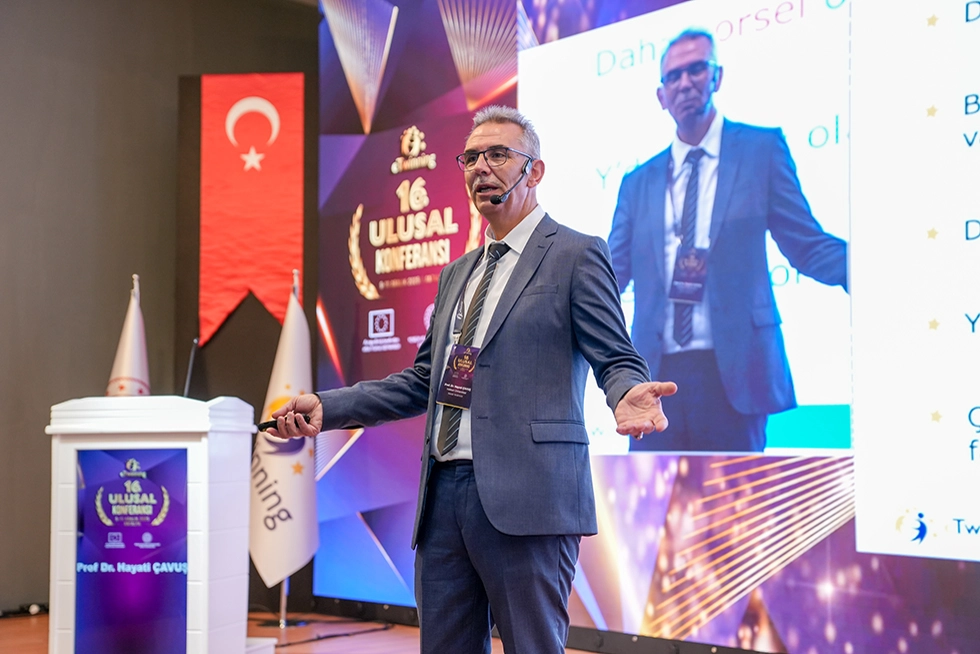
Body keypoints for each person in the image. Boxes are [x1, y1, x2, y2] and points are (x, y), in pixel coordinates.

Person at [268, 105, 677, 654]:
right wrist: (329, 407)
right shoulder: (457, 274)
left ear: (534, 171)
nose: (481, 167)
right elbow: (425, 380)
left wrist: (627, 391)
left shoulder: (576, 255)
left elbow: (615, 354)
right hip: (443, 499)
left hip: (530, 498)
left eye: (498, 155)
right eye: (471, 158)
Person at [608, 28, 848, 453]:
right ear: (661, 95)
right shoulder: (637, 182)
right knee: (653, 499)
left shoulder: (761, 150)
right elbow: (612, 275)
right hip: (653, 379)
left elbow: (806, 244)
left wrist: (874, 267)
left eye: (697, 69)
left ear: (717, 76)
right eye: (674, 76)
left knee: (737, 497)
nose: (685, 82)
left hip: (738, 373)